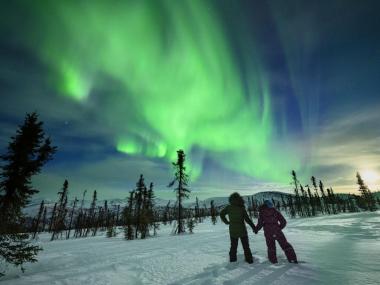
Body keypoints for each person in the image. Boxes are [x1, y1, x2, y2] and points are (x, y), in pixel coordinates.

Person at [255, 200, 298, 264]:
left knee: (271, 247)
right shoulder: (275, 211)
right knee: (285, 245)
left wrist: (256, 229)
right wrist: (279, 228)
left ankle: (273, 261)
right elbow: (283, 222)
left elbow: (260, 224)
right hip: (277, 232)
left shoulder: (262, 213)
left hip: (268, 232)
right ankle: (292, 259)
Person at [220, 192, 256, 264]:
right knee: (246, 247)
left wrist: (226, 222)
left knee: (233, 247)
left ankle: (232, 261)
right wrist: (253, 227)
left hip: (233, 231)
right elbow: (247, 219)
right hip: (242, 230)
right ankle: (249, 260)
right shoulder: (241, 208)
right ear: (239, 199)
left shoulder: (229, 207)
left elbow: (221, 214)